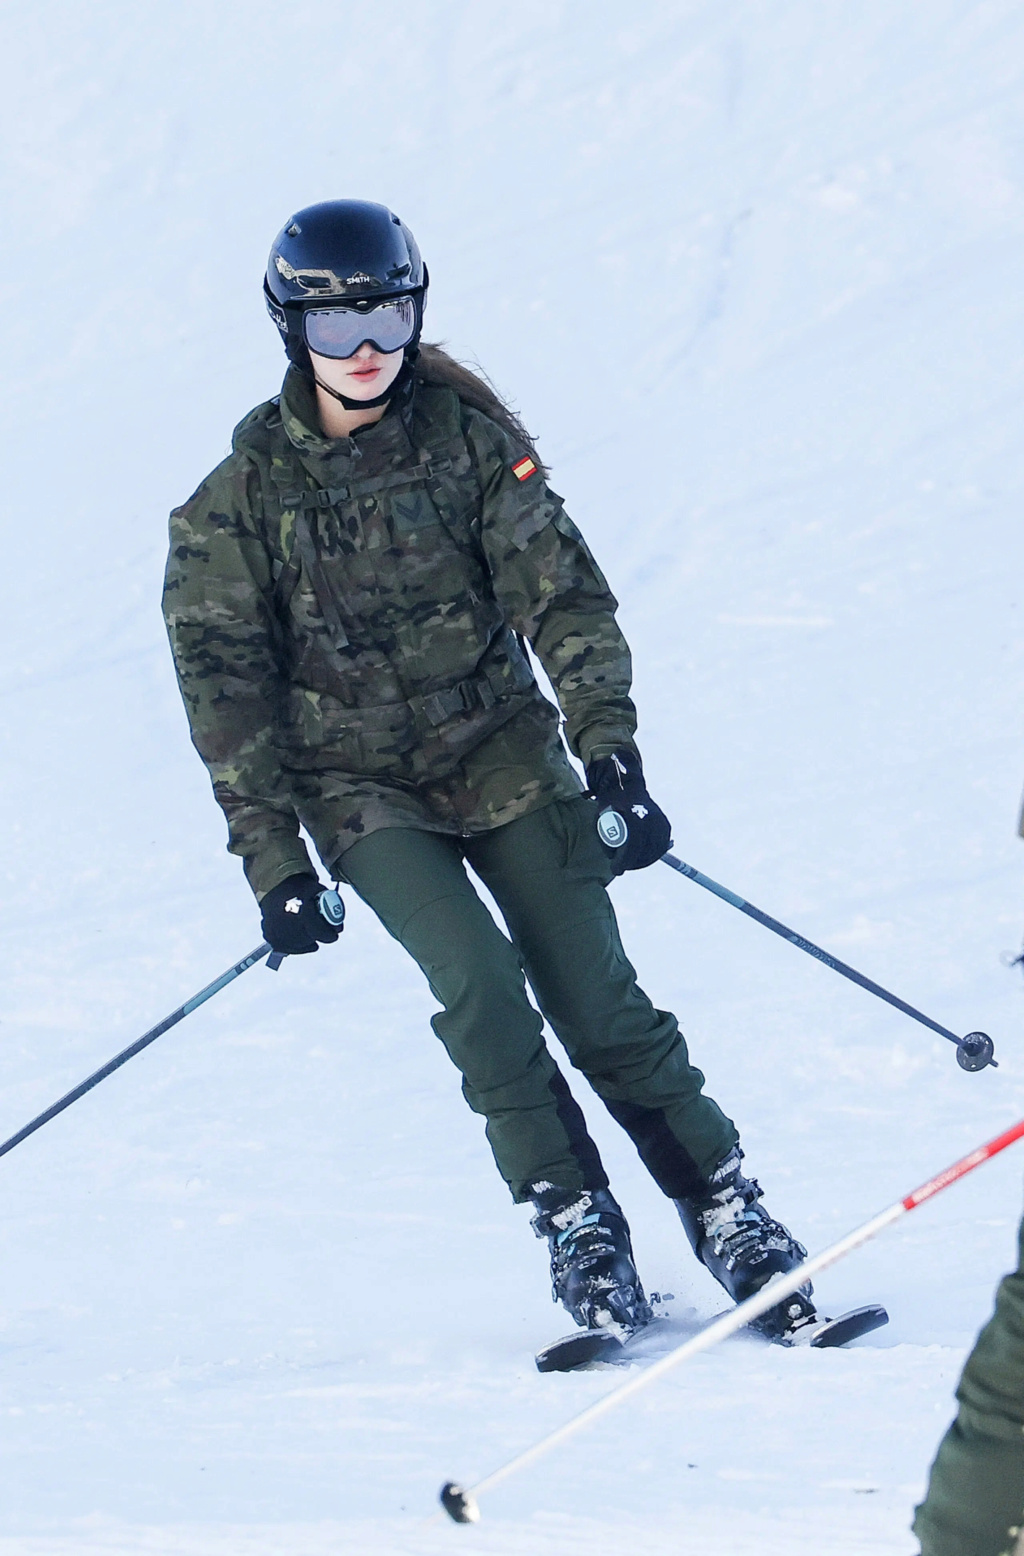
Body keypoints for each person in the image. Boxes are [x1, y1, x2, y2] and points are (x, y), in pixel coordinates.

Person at [162, 199, 812, 1347]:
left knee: (592, 991)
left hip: (502, 750)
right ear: (290, 333)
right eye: (336, 328)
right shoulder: (237, 503)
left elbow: (560, 594)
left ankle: (725, 1203)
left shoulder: (467, 445)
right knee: (477, 986)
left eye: (390, 314)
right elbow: (226, 696)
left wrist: (607, 750)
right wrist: (274, 863)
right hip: (361, 789)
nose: (367, 348)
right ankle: (576, 1221)